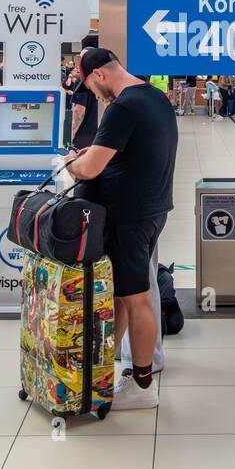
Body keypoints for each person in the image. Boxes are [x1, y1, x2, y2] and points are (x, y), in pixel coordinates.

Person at [63, 48, 177, 410]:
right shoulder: (154, 97)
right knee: (124, 295)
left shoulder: (124, 106)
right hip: (152, 209)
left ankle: (143, 386)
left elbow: (91, 169)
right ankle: (105, 371)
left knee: (136, 298)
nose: (96, 96)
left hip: (130, 216)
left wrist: (71, 162)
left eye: (92, 88)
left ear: (99, 75)